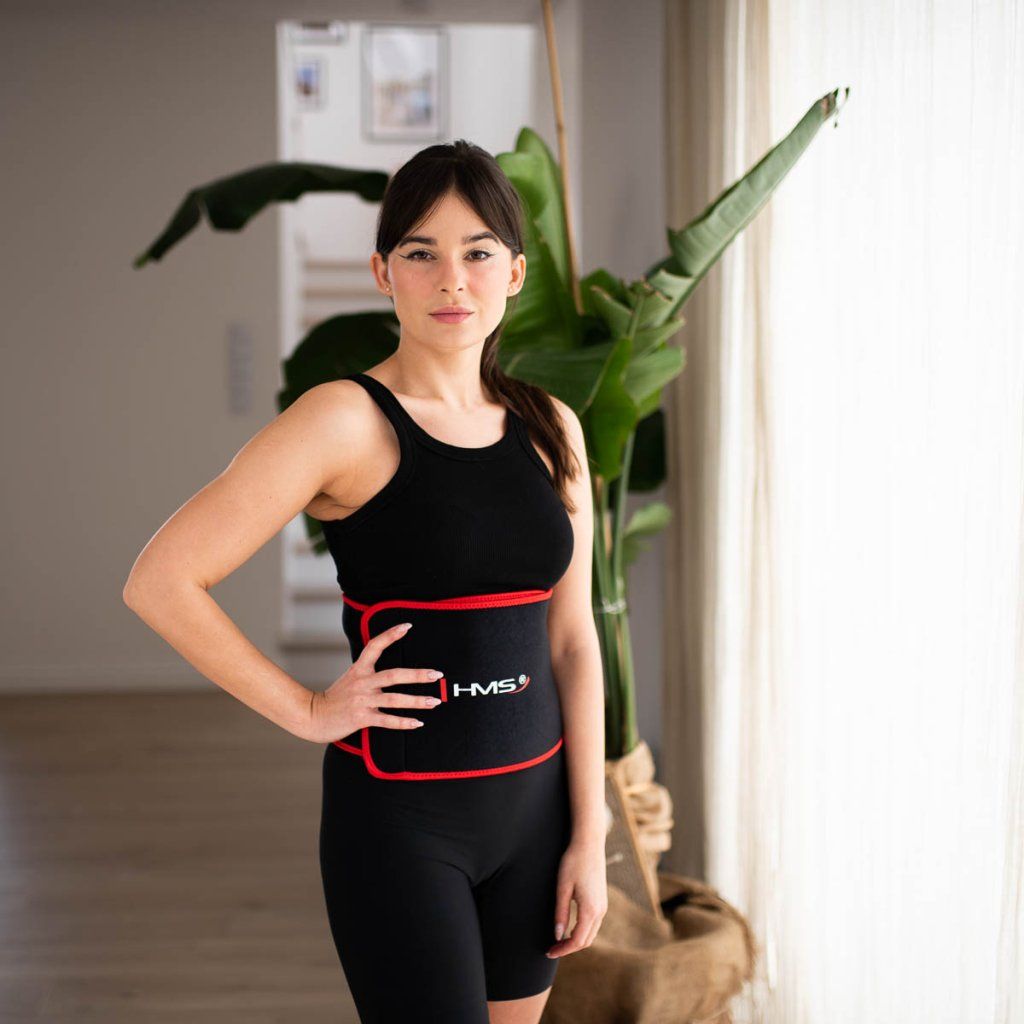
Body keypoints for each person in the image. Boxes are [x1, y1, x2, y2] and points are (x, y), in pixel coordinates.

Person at [123, 138, 608, 1024]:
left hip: (537, 822)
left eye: (478, 253)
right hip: (403, 831)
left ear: (515, 273)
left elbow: (573, 642)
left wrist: (591, 829)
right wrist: (309, 710)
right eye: (421, 253)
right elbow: (162, 579)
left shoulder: (553, 427)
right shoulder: (342, 421)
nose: (452, 280)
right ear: (383, 272)